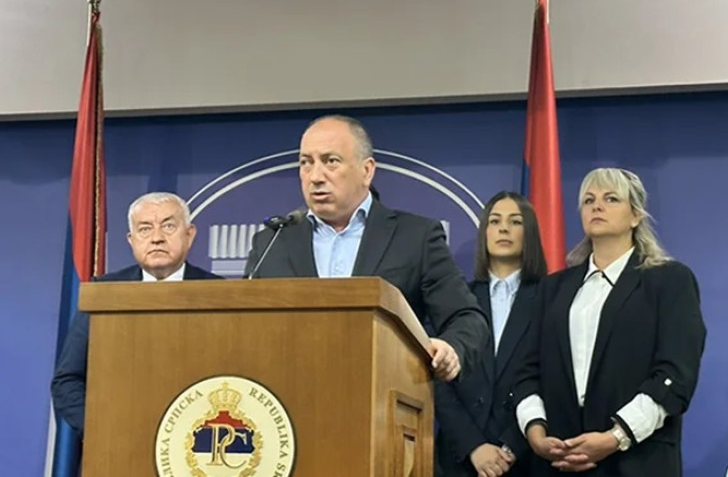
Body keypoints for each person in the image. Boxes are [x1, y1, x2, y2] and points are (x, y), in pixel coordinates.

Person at [244, 115, 488, 382]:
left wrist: (451, 348)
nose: (315, 176)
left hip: (384, 393)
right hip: (288, 393)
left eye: (330, 161)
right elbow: (242, 325)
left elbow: (466, 319)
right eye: (306, 162)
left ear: (367, 171)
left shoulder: (415, 237)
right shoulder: (272, 243)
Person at [513, 168, 706, 477]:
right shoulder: (553, 288)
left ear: (636, 215)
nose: (597, 206)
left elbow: (676, 374)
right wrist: (535, 432)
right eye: (589, 200)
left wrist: (616, 437)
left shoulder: (670, 280)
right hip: (559, 463)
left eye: (611, 199)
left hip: (637, 462)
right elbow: (526, 370)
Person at [51, 192, 222, 436]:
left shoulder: (219, 293)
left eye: (168, 226)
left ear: (190, 234)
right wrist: (103, 429)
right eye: (145, 229)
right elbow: (67, 380)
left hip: (195, 442)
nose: (157, 238)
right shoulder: (104, 293)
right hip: (116, 442)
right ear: (132, 240)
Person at [435, 192, 547, 477]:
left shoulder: (552, 298)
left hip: (525, 459)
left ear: (530, 232)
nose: (504, 229)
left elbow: (555, 379)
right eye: (495, 221)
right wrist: (474, 446)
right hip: (459, 460)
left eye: (515, 221)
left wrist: (512, 446)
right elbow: (436, 378)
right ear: (484, 231)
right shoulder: (457, 298)